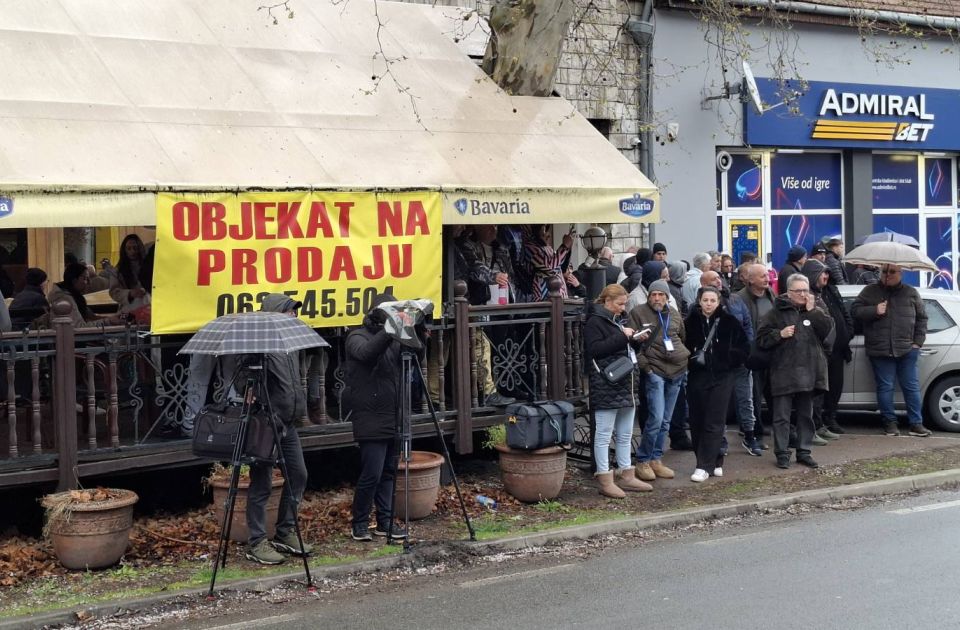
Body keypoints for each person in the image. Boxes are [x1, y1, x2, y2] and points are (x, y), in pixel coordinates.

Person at [244, 294, 311, 564]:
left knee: (299, 474)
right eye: (289, 312)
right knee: (262, 483)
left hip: (289, 424)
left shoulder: (290, 345)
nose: (294, 316)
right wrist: (254, 385)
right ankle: (257, 541)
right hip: (266, 425)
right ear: (274, 314)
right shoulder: (258, 345)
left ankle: (285, 531)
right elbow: (243, 384)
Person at [343, 293, 413, 542]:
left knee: (388, 473)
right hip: (370, 416)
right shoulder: (356, 336)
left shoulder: (393, 339)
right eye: (391, 312)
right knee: (371, 473)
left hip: (393, 414)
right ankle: (359, 522)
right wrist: (391, 329)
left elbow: (415, 357)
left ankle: (385, 522)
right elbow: (367, 354)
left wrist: (414, 329)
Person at [757, 274, 834, 469]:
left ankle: (804, 451)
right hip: (783, 371)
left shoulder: (816, 309)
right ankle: (782, 452)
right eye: (798, 291)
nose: (802, 294)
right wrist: (778, 334)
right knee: (782, 416)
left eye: (805, 290)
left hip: (809, 371)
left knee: (805, 415)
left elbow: (828, 331)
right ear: (788, 292)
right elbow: (761, 340)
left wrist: (813, 312)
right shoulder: (775, 312)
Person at [583, 284, 651, 497]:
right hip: (607, 383)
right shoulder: (595, 321)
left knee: (625, 434)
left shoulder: (616, 320)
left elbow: (622, 348)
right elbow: (595, 350)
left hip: (625, 383)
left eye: (625, 304)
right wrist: (623, 336)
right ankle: (604, 478)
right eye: (620, 304)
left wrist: (635, 340)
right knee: (603, 435)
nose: (623, 308)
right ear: (607, 301)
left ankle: (627, 474)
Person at [850, 264, 931, 437]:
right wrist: (874, 310)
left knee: (911, 387)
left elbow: (922, 318)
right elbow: (854, 311)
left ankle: (916, 424)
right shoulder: (870, 291)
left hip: (907, 348)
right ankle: (890, 423)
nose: (888, 275)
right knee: (885, 387)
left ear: (901, 273)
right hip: (880, 349)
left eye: (893, 272)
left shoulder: (910, 292)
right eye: (885, 271)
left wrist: (918, 342)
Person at [628, 279, 690, 482]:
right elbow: (634, 344)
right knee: (655, 418)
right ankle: (643, 460)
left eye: (660, 295)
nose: (657, 298)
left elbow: (681, 336)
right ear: (649, 296)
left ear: (666, 296)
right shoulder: (638, 312)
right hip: (654, 371)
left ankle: (656, 458)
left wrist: (683, 360)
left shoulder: (673, 313)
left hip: (677, 370)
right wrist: (647, 368)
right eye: (653, 294)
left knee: (665, 420)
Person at [685, 286, 749, 482]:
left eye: (712, 300)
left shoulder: (729, 322)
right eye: (705, 300)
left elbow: (744, 347)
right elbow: (683, 346)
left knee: (714, 420)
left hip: (722, 377)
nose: (709, 304)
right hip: (697, 376)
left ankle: (703, 465)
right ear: (699, 301)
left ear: (718, 301)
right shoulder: (690, 322)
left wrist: (726, 360)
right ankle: (715, 459)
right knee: (697, 421)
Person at [701, 270, 759, 456]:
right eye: (713, 280)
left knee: (745, 399)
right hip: (718, 364)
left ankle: (750, 436)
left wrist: (746, 348)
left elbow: (748, 325)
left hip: (740, 360)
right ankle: (721, 439)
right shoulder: (702, 306)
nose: (718, 281)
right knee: (720, 403)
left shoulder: (735, 300)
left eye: (719, 278)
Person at [736, 263, 777, 451]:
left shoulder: (771, 295)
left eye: (767, 275)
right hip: (752, 354)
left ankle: (782, 432)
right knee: (753, 396)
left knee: (774, 394)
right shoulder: (740, 299)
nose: (767, 279)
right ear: (750, 279)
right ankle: (755, 433)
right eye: (762, 276)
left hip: (772, 351)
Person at [46, 263, 125, 328]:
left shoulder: (74, 297)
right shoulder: (65, 300)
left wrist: (111, 319)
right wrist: (108, 321)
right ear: (74, 280)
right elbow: (79, 328)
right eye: (85, 279)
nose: (89, 282)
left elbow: (91, 318)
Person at [523, 224, 572, 301]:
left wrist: (568, 249)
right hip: (542, 299)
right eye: (545, 230)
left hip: (559, 298)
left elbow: (561, 267)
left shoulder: (547, 248)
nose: (548, 235)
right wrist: (564, 247)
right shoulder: (529, 247)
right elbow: (549, 267)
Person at [109, 234, 150, 316]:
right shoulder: (117, 271)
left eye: (135, 248)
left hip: (148, 306)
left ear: (140, 249)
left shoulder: (149, 267)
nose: (132, 251)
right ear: (124, 250)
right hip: (129, 309)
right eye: (129, 248)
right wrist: (130, 293)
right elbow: (114, 292)